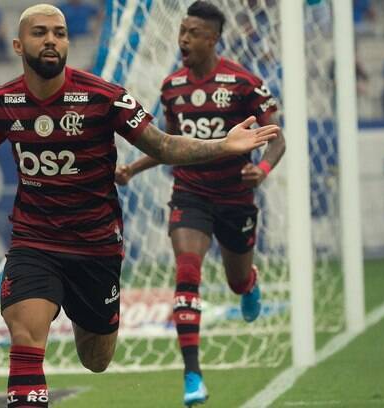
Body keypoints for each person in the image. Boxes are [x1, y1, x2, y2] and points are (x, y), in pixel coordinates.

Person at [0, 4, 278, 407]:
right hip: (35, 242)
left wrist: (222, 144)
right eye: (39, 33)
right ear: (19, 46)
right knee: (25, 337)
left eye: (59, 33)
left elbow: (162, 145)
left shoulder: (104, 97)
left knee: (96, 359)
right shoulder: (1, 103)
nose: (51, 40)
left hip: (97, 248)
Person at [115, 2, 285, 406]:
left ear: (213, 39)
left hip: (236, 198)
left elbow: (276, 138)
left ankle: (249, 284)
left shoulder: (244, 83)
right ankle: (192, 375)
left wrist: (261, 168)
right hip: (190, 195)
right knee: (186, 272)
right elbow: (170, 145)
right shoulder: (172, 87)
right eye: (182, 31)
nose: (183, 39)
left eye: (193, 33)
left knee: (235, 280)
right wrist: (133, 169)